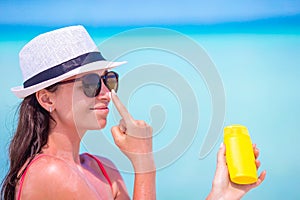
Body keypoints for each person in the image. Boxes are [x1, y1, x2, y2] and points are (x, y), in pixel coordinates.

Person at [0, 25, 265, 200]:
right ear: (47, 99)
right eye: (91, 83)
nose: (107, 92)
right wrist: (144, 161)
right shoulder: (49, 173)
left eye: (109, 79)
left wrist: (221, 195)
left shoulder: (103, 169)